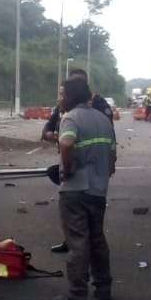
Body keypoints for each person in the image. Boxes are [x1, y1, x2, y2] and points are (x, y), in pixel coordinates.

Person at [53, 76, 116, 300]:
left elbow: (67, 144)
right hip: (98, 190)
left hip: (75, 190)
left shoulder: (70, 118)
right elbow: (112, 157)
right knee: (97, 238)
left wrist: (67, 168)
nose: (59, 98)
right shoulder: (103, 119)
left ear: (71, 96)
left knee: (78, 242)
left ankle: (77, 295)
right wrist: (102, 175)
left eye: (61, 94)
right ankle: (103, 288)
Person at [42, 68, 112, 253]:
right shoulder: (64, 110)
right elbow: (48, 129)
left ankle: (79, 277)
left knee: (85, 230)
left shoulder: (93, 109)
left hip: (86, 171)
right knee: (83, 227)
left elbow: (69, 143)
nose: (61, 97)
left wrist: (69, 163)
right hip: (80, 170)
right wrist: (52, 135)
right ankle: (99, 276)